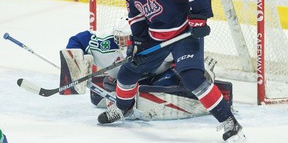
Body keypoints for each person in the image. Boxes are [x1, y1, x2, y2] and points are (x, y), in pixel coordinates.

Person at [102, 0, 246, 142]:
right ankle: (123, 109)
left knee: (193, 78)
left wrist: (199, 19)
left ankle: (230, 122)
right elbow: (135, 13)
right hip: (157, 36)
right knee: (127, 72)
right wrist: (139, 42)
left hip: (183, 35)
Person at [61, 17, 232, 120]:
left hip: (158, 77)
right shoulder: (105, 44)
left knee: (174, 79)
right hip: (128, 82)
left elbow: (183, 55)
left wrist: (193, 69)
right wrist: (73, 61)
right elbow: (79, 39)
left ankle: (205, 72)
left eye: (126, 40)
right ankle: (124, 104)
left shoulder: (156, 46)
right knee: (114, 82)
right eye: (119, 40)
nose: (122, 44)